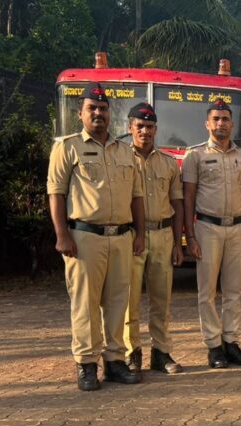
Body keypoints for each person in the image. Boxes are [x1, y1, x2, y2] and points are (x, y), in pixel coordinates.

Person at [46, 83, 146, 391]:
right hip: (84, 237)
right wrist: (62, 234)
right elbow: (56, 193)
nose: (98, 113)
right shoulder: (68, 147)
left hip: (121, 237)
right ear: (81, 113)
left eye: (103, 108)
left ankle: (115, 361)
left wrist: (140, 234)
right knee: (86, 304)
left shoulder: (125, 151)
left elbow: (137, 196)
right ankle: (86, 364)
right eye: (92, 108)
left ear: (109, 114)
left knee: (118, 302)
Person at [182, 99, 241, 369]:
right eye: (216, 119)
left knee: (234, 289)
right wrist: (190, 236)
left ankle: (231, 341)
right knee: (208, 291)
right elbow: (188, 198)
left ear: (232, 124)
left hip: (237, 228)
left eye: (225, 119)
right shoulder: (195, 156)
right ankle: (213, 346)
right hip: (207, 227)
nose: (221, 124)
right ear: (207, 123)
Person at [122, 102, 185, 375]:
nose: (145, 131)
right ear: (130, 128)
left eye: (149, 126)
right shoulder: (121, 159)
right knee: (130, 299)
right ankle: (131, 353)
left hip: (163, 234)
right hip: (131, 236)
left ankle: (161, 352)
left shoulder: (168, 163)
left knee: (162, 299)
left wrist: (179, 242)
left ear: (156, 129)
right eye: (140, 126)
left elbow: (177, 203)